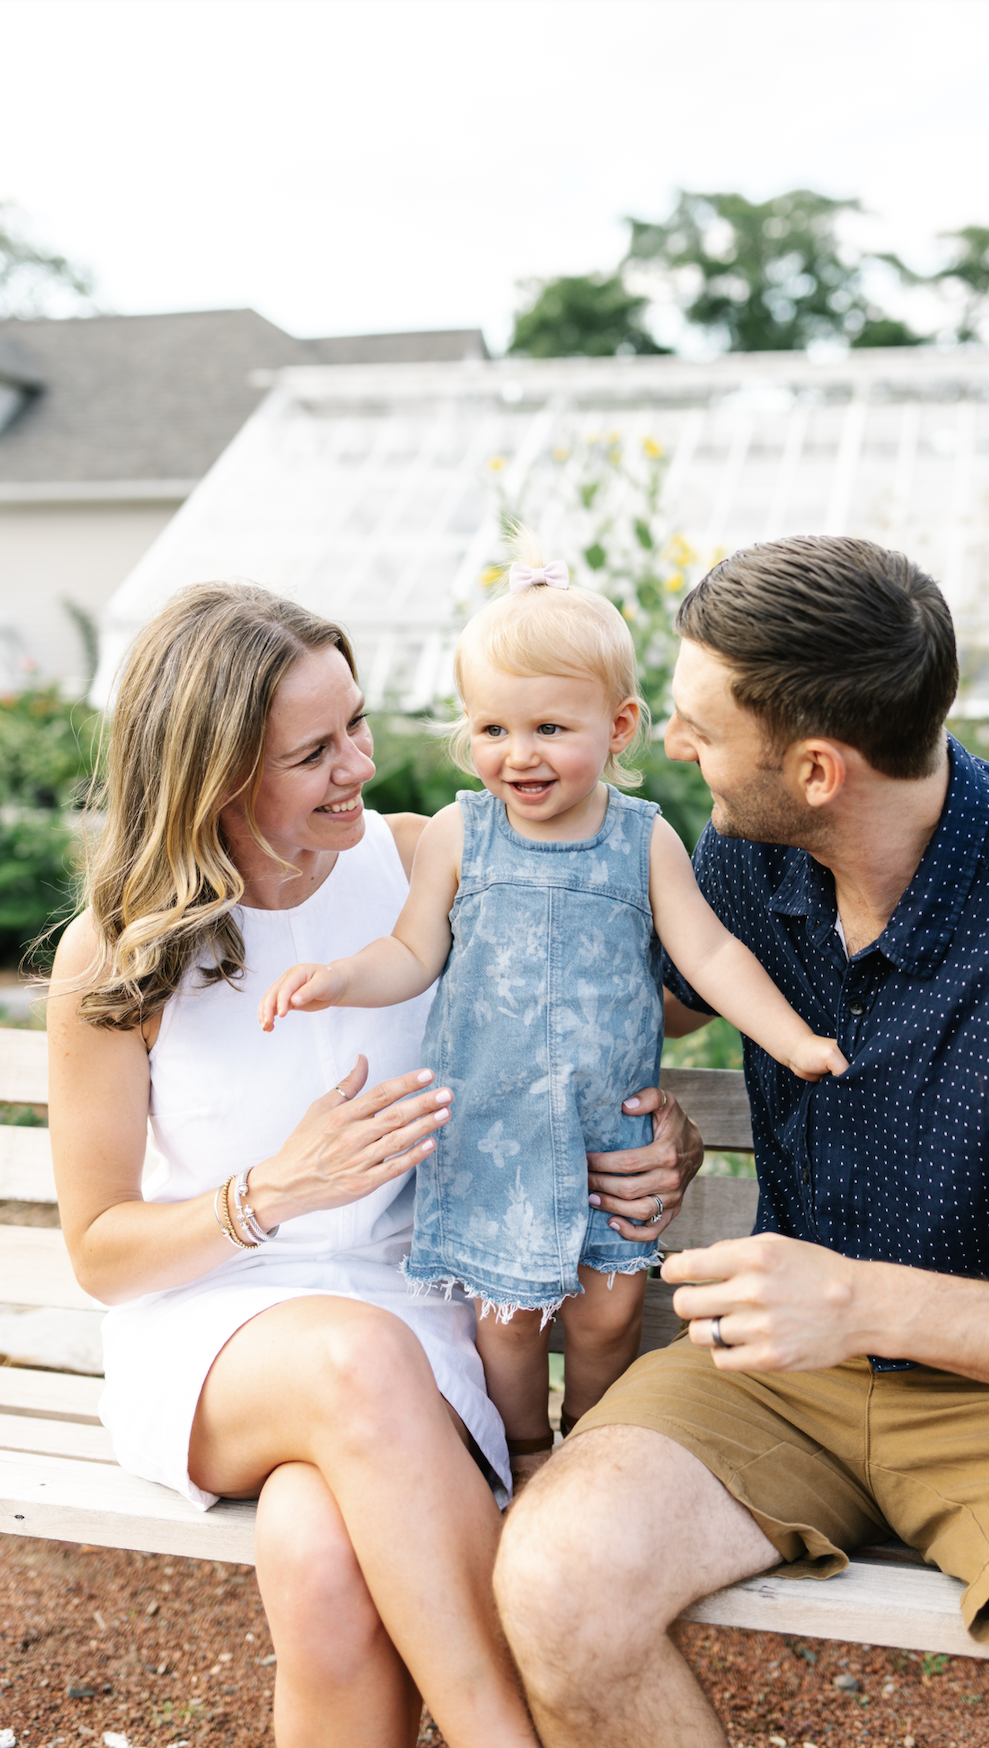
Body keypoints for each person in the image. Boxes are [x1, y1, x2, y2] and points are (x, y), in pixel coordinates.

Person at [493, 535, 989, 1748]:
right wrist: (644, 1116)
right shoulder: (750, 854)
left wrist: (864, 1304)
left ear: (814, 768)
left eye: (696, 723)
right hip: (771, 1379)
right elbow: (656, 1004)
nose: (674, 745)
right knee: (557, 1584)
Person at [47, 579, 700, 1748]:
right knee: (353, 1357)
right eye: (314, 749)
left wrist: (660, 1133)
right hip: (214, 1332)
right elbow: (101, 1253)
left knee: (322, 1560)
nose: (360, 761)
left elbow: (604, 1015)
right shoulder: (124, 950)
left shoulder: (420, 863)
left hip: (423, 1319)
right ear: (217, 770)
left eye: (357, 722)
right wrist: (272, 1193)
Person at [260, 540, 846, 1476]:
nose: (519, 755)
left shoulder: (641, 840)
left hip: (606, 1136)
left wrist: (792, 1040)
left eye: (549, 729)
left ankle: (593, 1446)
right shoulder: (461, 833)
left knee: (608, 1311)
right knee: (508, 1322)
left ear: (618, 727)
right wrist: (340, 976)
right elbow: (413, 953)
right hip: (492, 1130)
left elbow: (710, 954)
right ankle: (525, 1449)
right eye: (492, 730)